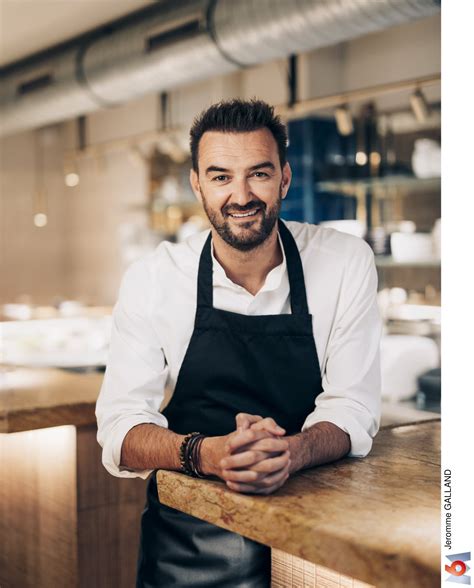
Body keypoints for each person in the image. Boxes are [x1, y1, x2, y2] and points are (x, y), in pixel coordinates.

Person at [96, 98, 382, 587]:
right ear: (198, 184)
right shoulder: (155, 278)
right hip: (189, 543)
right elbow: (120, 430)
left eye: (259, 174)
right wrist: (208, 454)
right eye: (221, 176)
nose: (241, 194)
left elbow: (353, 407)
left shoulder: (345, 261)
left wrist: (292, 451)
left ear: (285, 179)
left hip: (313, 534)